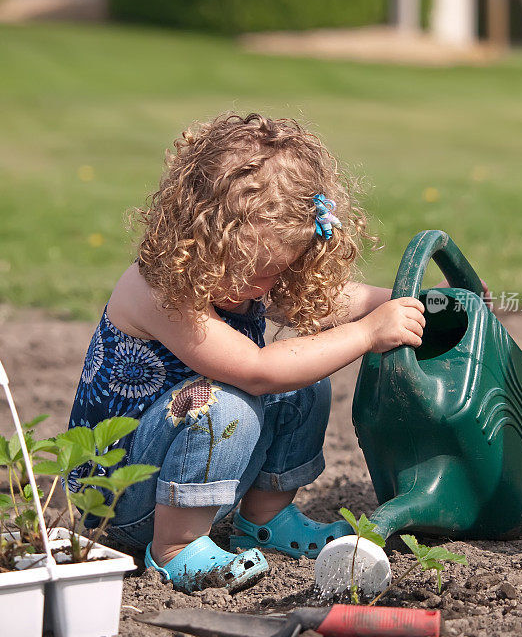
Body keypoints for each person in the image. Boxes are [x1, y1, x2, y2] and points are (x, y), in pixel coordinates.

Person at [68, 112, 427, 593]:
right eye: (254, 270)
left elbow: (331, 301)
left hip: (190, 477)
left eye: (276, 272)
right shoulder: (158, 288)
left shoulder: (238, 273)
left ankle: (264, 520)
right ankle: (173, 548)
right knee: (226, 403)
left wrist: (413, 297)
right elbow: (257, 371)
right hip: (121, 501)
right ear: (202, 238)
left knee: (305, 383)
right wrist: (367, 335)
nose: (264, 287)